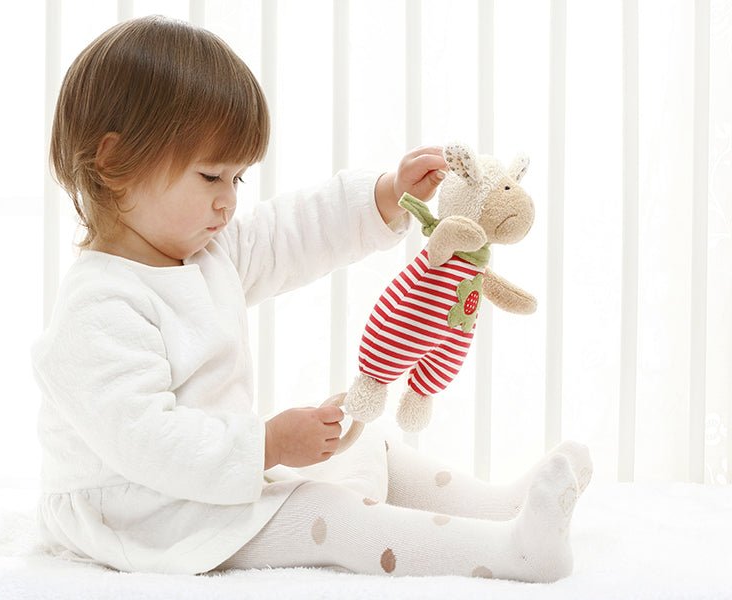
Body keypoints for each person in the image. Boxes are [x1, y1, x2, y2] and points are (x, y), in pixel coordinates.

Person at [31, 15, 592, 582]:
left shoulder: (205, 254)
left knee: (368, 450)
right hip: (139, 512)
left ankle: (503, 508)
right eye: (210, 176)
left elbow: (290, 234)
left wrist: (387, 195)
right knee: (327, 513)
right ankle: (512, 554)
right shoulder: (99, 307)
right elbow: (149, 442)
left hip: (209, 479)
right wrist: (267, 444)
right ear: (114, 163)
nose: (228, 201)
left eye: (237, 180)